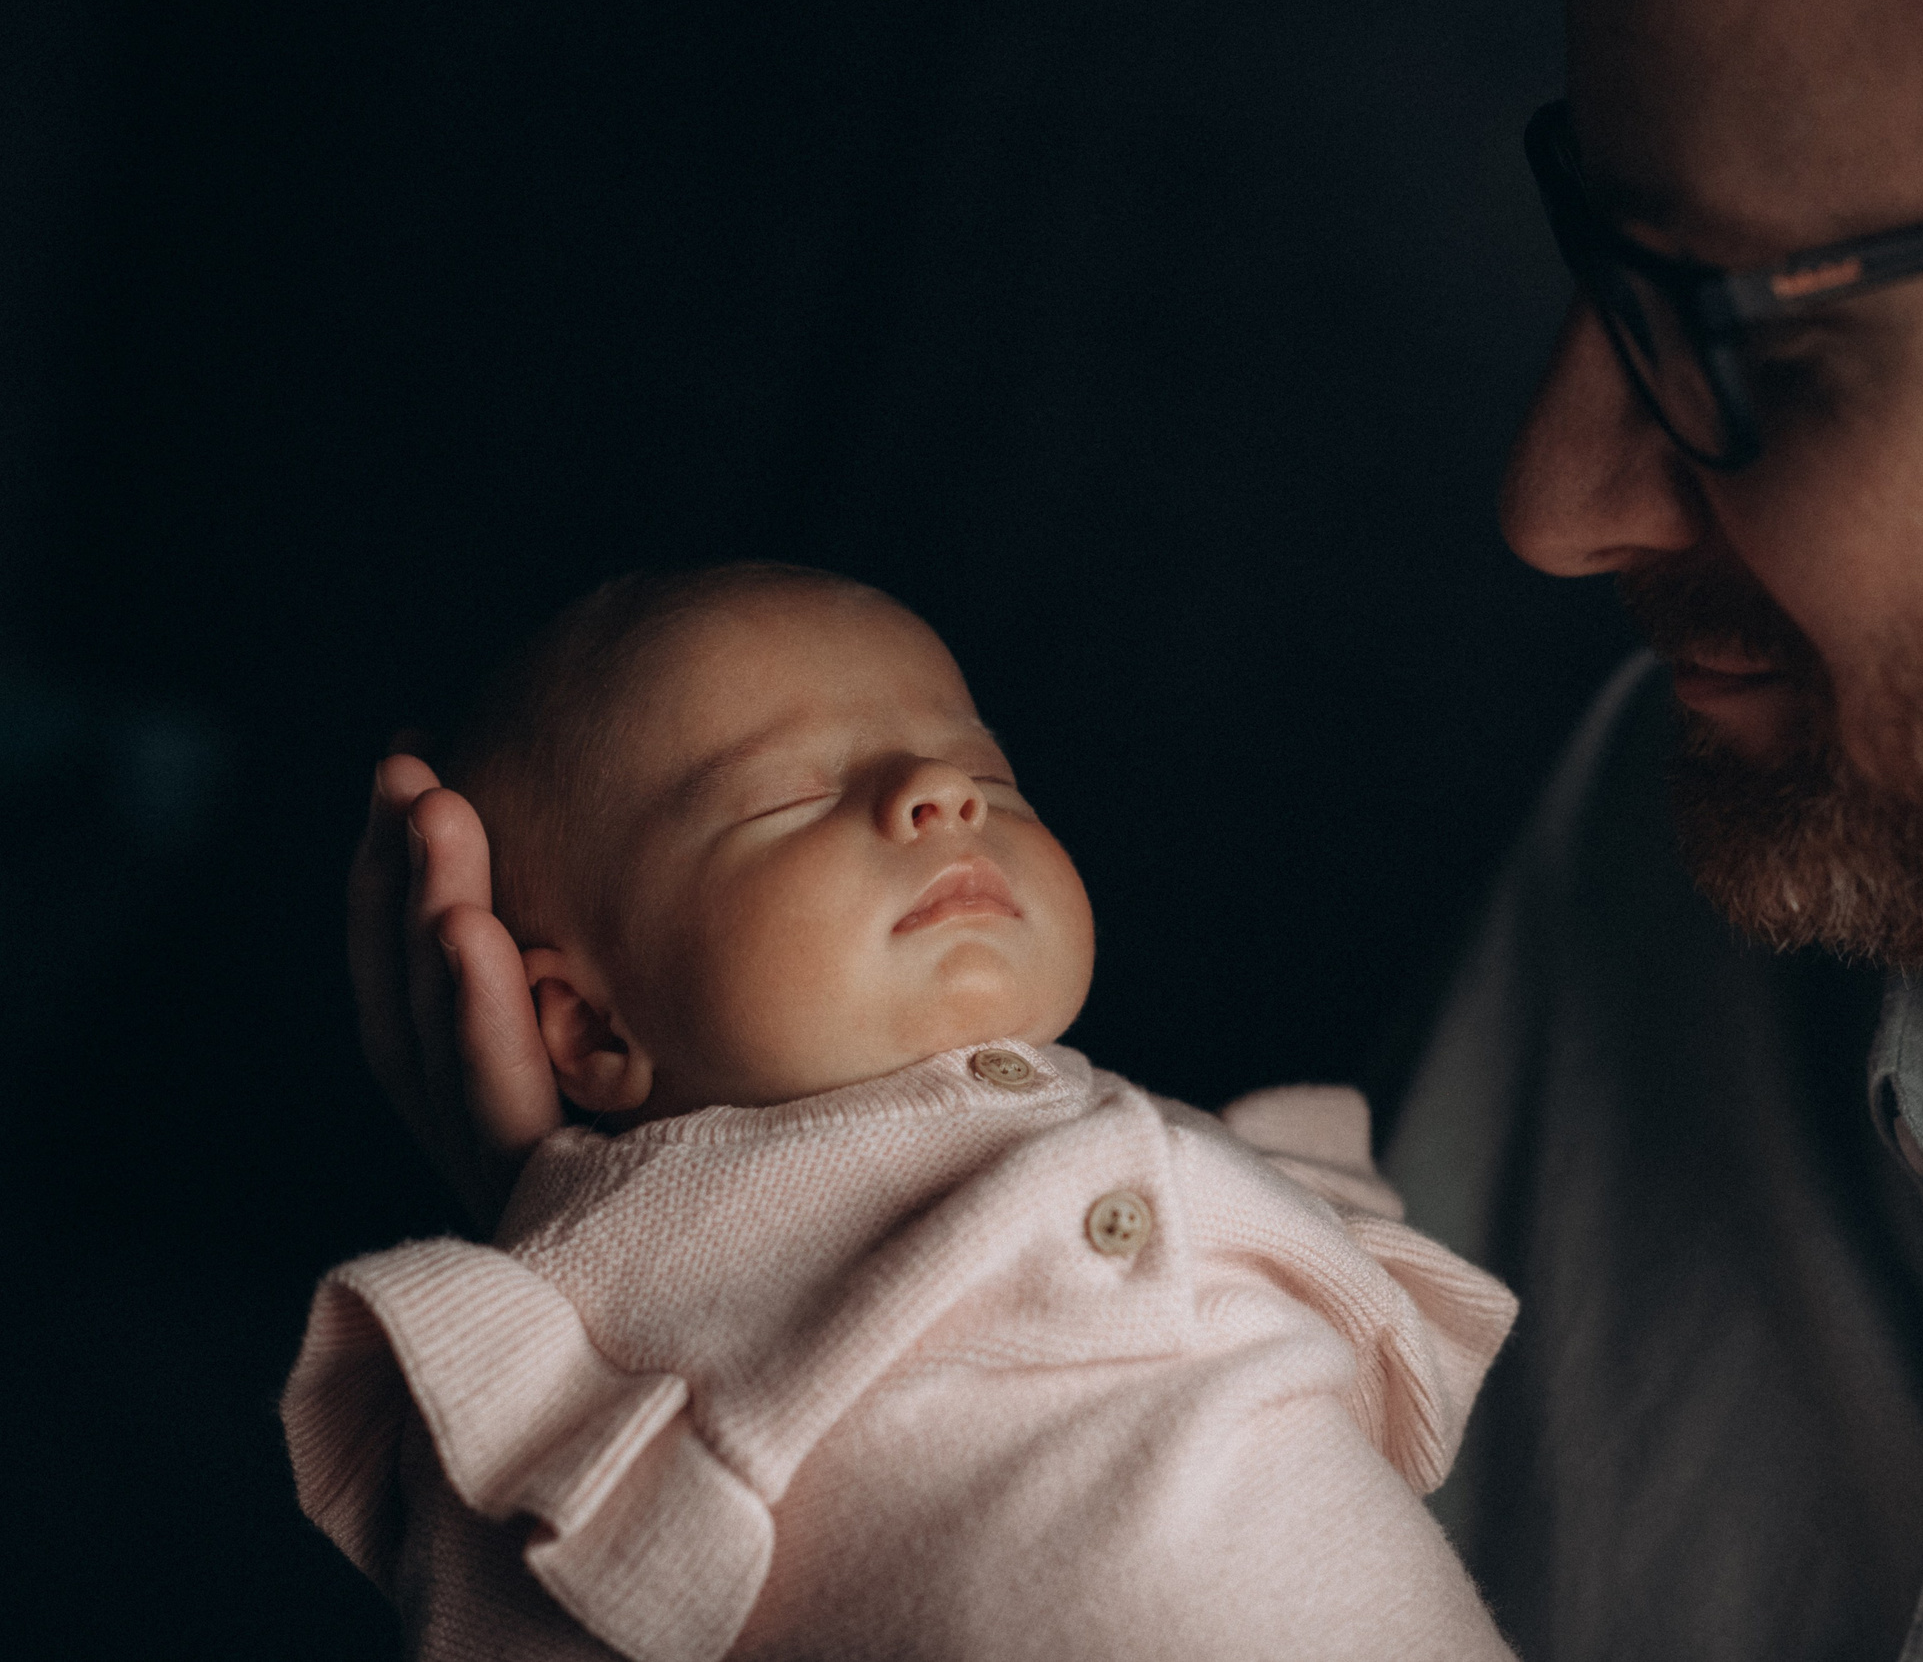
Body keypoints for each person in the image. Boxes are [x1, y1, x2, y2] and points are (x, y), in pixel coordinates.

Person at [356, 0, 1923, 1656]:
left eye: (1738, 339)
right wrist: (703, 1264)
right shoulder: (1707, 825)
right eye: (1588, 255)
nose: (1549, 499)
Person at [302, 565, 1516, 1662]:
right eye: (785, 799)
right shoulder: (606, 1309)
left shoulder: (1184, 1146)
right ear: (595, 1032)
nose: (940, 794)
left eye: (988, 775)